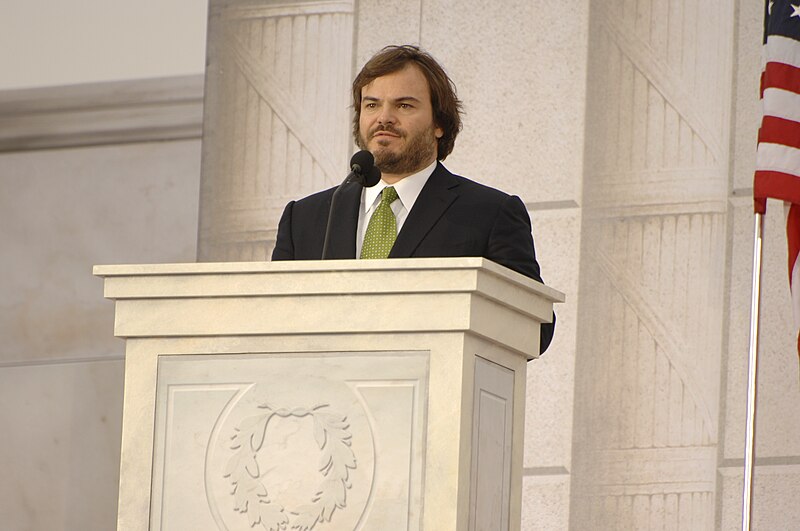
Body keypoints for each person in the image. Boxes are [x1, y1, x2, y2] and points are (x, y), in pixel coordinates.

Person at [272, 45, 555, 353]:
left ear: (439, 124)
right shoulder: (305, 217)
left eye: (404, 106)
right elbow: (270, 321)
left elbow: (533, 329)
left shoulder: (489, 213)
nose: (384, 118)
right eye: (371, 105)